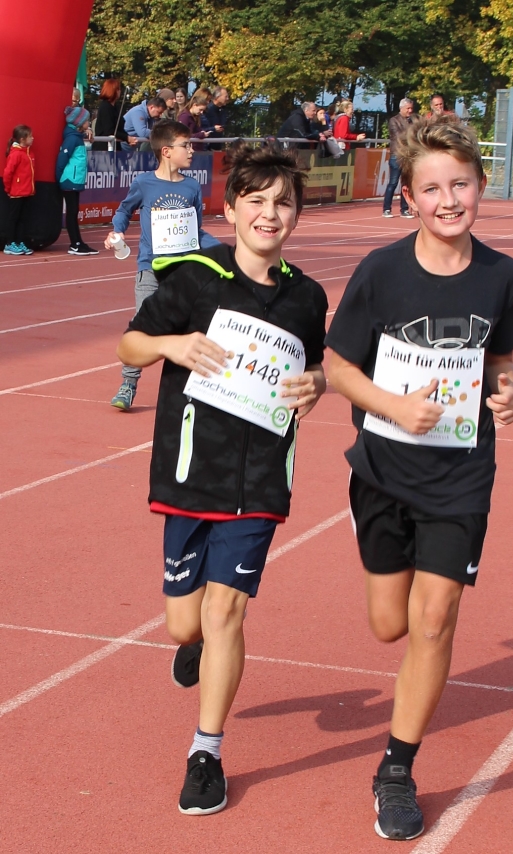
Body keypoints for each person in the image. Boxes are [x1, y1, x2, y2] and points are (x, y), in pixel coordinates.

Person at [326, 116, 513, 841]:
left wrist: (511, 391)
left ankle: (395, 770)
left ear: (480, 187)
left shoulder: (502, 276)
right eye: (432, 189)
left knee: (434, 619)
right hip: (383, 468)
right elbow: (338, 367)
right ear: (407, 197)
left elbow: (500, 361)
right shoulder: (381, 272)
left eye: (460, 185)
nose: (448, 201)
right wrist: (392, 406)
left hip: (461, 476)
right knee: (390, 626)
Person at [115, 142, 328, 815]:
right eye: (256, 201)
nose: (270, 214)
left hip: (260, 479)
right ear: (230, 209)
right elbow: (129, 344)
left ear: (296, 215)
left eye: (283, 203)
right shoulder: (194, 278)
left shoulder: (307, 297)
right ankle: (196, 645)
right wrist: (170, 345)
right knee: (185, 624)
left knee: (226, 609)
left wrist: (316, 385)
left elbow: (313, 369)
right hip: (189, 473)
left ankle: (205, 752)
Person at [106, 119, 220, 411]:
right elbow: (124, 210)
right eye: (186, 145)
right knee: (142, 327)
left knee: (189, 329)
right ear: (166, 151)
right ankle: (128, 384)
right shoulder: (144, 183)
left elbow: (195, 231)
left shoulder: (192, 186)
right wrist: (117, 231)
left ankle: (191, 390)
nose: (192, 151)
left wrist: (222, 252)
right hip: (150, 268)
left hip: (184, 272)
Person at [56, 106, 98, 256]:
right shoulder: (72, 139)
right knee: (72, 212)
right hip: (69, 179)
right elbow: (62, 159)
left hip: (74, 180)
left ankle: (78, 242)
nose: (88, 123)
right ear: (79, 123)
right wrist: (59, 177)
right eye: (86, 121)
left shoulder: (76, 137)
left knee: (74, 212)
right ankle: (75, 243)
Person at [3, 125, 35, 256]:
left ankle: (19, 241)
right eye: (30, 136)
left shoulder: (28, 153)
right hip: (16, 192)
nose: (33, 138)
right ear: (22, 139)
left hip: (26, 191)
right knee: (14, 218)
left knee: (23, 219)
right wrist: (8, 188)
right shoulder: (16, 154)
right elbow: (8, 173)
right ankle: (9, 243)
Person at [382, 98, 415, 218]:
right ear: (402, 108)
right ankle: (386, 209)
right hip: (397, 155)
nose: (410, 111)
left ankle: (404, 209)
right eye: (408, 108)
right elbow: (399, 136)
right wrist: (412, 133)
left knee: (406, 184)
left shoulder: (412, 121)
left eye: (411, 108)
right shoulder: (394, 120)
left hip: (408, 156)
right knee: (393, 183)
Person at [93, 79, 138, 150]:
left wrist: (128, 139)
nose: (120, 91)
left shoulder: (115, 107)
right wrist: (127, 138)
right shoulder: (105, 107)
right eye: (118, 89)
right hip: (104, 148)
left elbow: (119, 129)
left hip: (115, 146)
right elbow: (109, 130)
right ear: (113, 90)